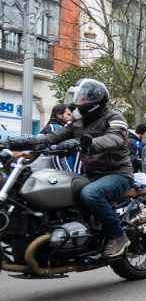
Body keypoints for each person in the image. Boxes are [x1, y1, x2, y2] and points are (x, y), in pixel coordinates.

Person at [5, 79, 137, 258]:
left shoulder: (114, 117)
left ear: (93, 100)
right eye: (75, 98)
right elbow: (51, 138)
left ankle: (118, 236)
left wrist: (84, 143)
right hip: (90, 174)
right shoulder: (77, 121)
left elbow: (115, 139)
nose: (75, 103)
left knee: (91, 194)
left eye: (80, 99)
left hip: (117, 174)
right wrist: (15, 142)